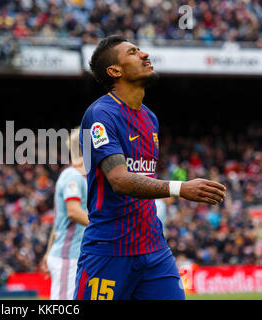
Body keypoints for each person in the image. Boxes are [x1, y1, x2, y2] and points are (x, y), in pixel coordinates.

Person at [73, 35, 227, 300]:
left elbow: (143, 176)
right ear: (115, 70)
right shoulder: (101, 114)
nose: (144, 54)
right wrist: (180, 188)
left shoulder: (150, 118)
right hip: (109, 251)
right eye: (133, 52)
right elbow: (119, 180)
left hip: (154, 249)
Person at [41, 127, 89, 300]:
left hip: (70, 255)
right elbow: (73, 212)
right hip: (68, 258)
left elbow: (57, 222)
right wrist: (102, 228)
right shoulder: (73, 177)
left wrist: (48, 252)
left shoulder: (78, 176)